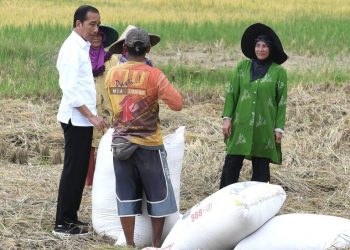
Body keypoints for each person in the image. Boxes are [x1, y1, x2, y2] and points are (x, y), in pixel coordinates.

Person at [105, 28, 183, 247]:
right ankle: (156, 245)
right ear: (148, 49)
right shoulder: (154, 75)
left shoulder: (112, 74)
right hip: (150, 145)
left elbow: (111, 106)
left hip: (121, 143)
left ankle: (130, 244)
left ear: (124, 49)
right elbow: (177, 104)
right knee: (158, 198)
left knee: (126, 197)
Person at [53, 5, 108, 236]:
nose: (96, 29)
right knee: (73, 171)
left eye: (98, 24)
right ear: (78, 24)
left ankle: (71, 217)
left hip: (82, 121)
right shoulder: (71, 50)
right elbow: (70, 90)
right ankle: (62, 223)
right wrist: (92, 116)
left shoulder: (81, 47)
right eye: (91, 24)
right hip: (76, 120)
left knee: (79, 170)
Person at [220, 23, 288, 188]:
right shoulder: (242, 68)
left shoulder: (279, 72)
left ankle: (257, 201)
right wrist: (227, 118)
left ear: (270, 49)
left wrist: (279, 128)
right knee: (232, 163)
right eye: (258, 45)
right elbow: (232, 94)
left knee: (261, 166)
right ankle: (223, 197)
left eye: (264, 46)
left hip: (264, 128)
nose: (260, 49)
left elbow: (282, 102)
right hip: (240, 124)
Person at [85, 25, 119, 187]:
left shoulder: (112, 60)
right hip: (88, 108)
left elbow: (118, 84)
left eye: (100, 36)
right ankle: (89, 182)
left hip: (108, 107)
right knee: (89, 145)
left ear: (104, 38)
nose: (97, 38)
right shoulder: (82, 56)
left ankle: (108, 181)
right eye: (94, 35)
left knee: (109, 143)